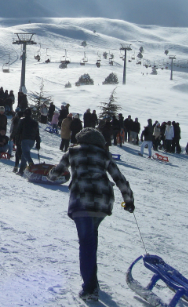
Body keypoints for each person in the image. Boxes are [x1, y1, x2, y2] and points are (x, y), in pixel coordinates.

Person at [48, 128, 135, 302]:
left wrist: (52, 174)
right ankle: (92, 282)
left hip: (82, 202)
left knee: (86, 244)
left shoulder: (72, 151)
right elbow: (119, 178)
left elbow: (56, 173)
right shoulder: (104, 154)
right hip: (102, 203)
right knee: (90, 240)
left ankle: (89, 288)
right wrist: (128, 200)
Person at [15, 108, 40, 175]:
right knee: (24, 155)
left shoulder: (22, 121)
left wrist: (17, 140)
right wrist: (38, 142)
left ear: (25, 114)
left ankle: (31, 164)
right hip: (32, 141)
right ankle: (21, 170)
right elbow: (37, 133)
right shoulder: (35, 122)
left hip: (24, 139)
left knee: (26, 153)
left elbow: (18, 131)